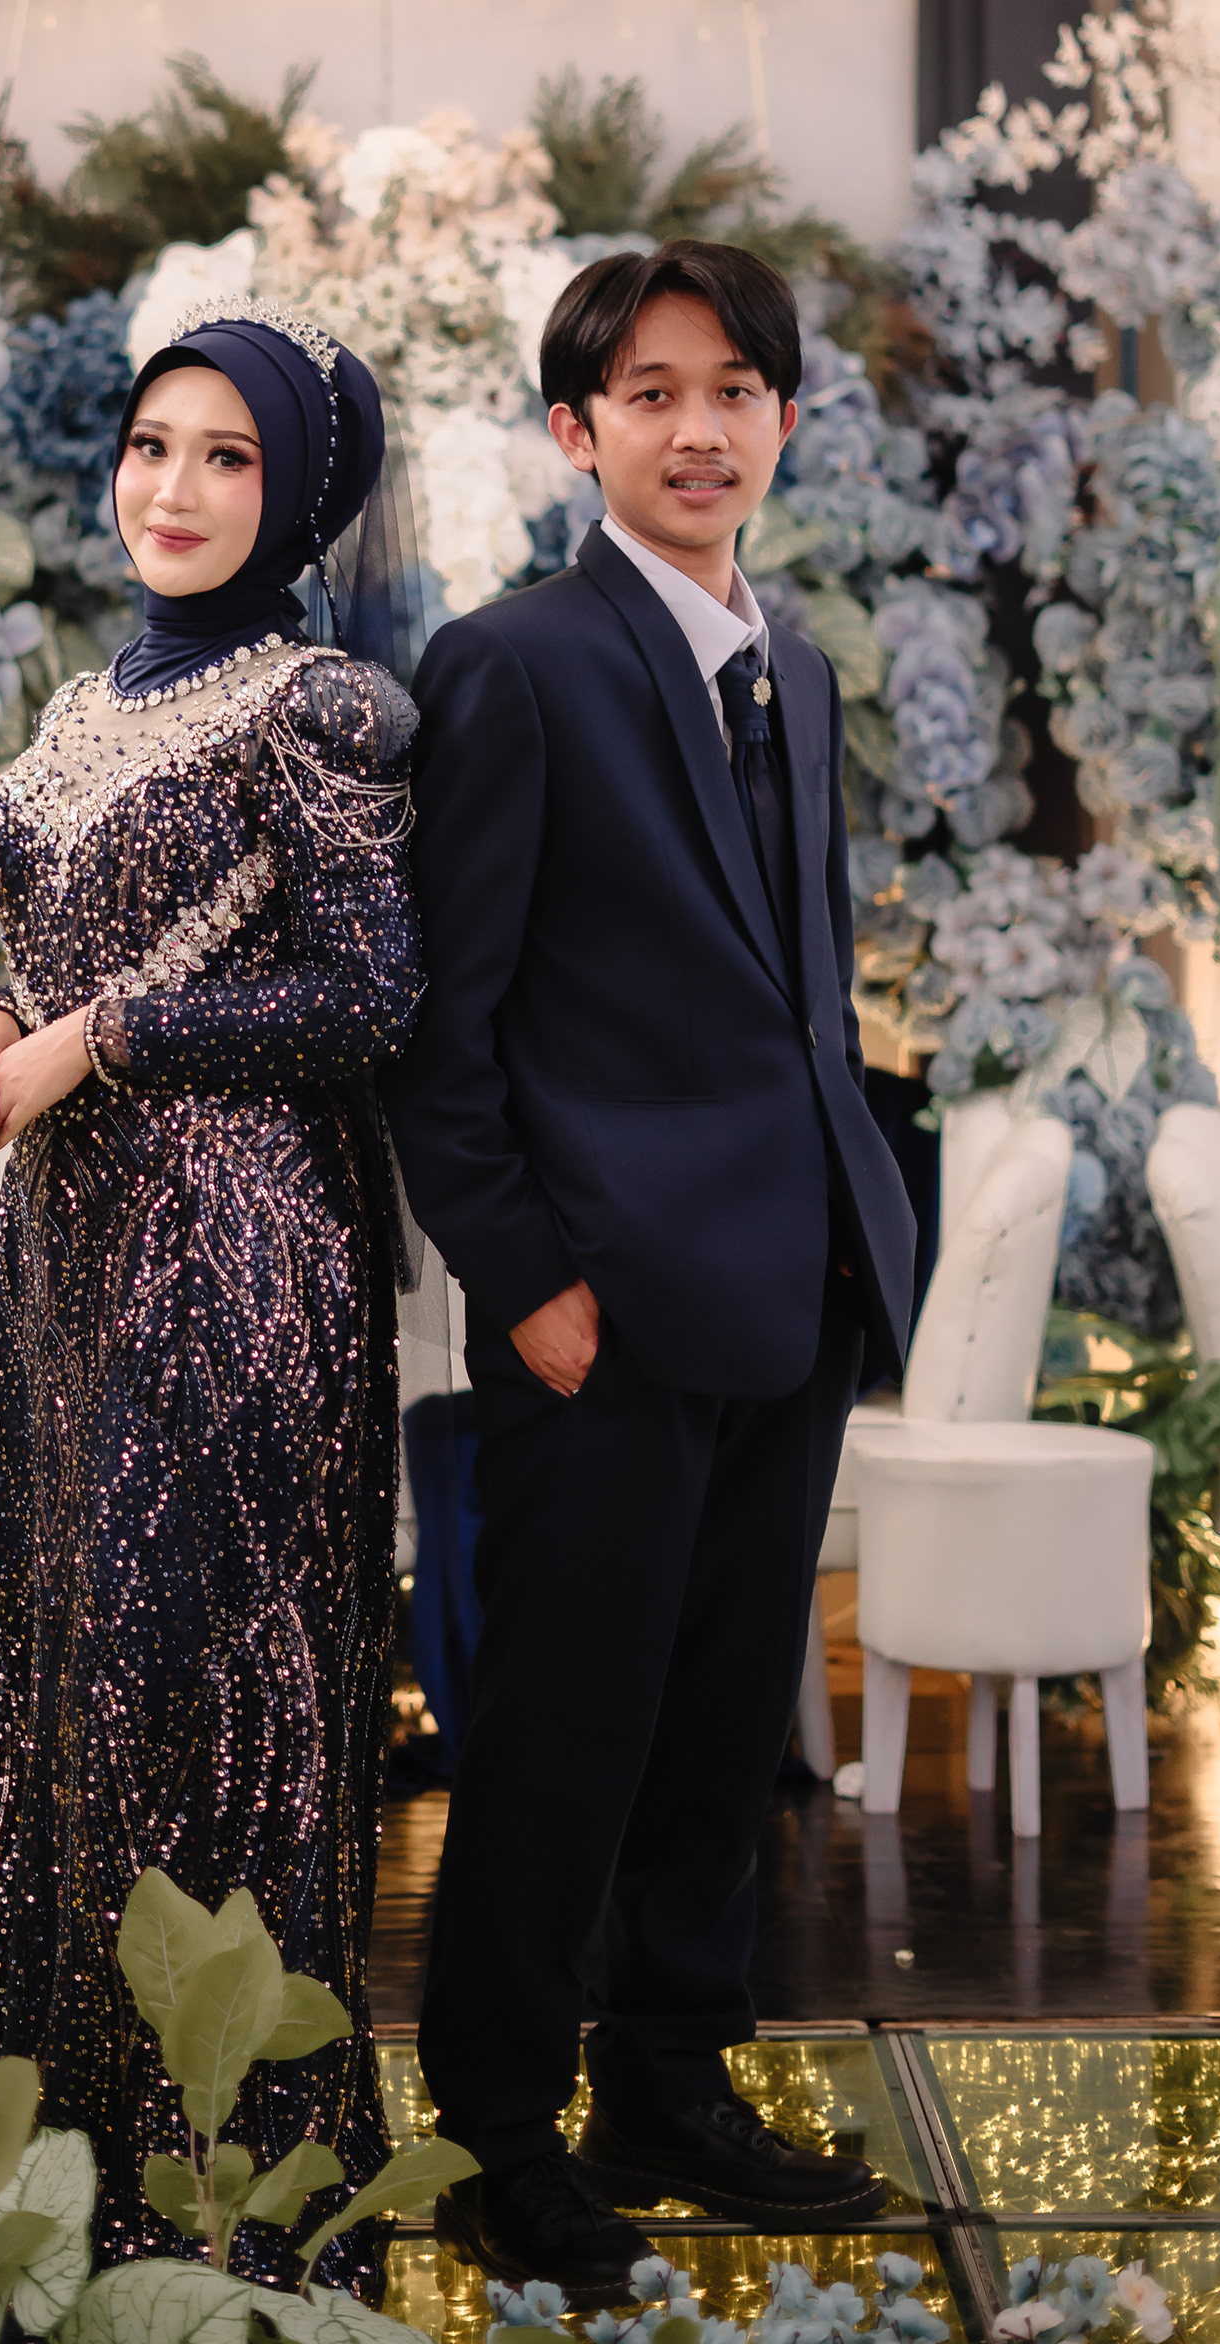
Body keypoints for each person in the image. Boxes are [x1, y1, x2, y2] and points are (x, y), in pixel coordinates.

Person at [382, 240, 918, 2304]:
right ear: (575, 430)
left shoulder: (800, 666)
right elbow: (446, 1030)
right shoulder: (514, 666)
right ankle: (504, 2136)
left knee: (721, 1737)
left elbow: (802, 994)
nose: (702, 430)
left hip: (791, 1285)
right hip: (595, 1311)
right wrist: (523, 1278)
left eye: (736, 392)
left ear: (784, 417)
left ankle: (672, 2083)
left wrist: (856, 1230)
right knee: (561, 1735)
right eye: (654, 394)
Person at [0, 297, 424, 2290]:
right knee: (64, 1674)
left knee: (184, 1687)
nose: (176, 489)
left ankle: (210, 2164)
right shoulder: (81, 702)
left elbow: (371, 994)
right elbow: (46, 938)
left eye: (229, 457)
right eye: (152, 446)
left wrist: (106, 1037)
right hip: (69, 1247)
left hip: (235, 1253)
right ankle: (58, 2129)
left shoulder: (320, 707)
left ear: (295, 495)